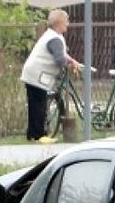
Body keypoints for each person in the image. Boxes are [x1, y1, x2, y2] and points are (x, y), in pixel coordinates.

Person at [21, 9, 80, 143]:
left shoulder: (53, 35)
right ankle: (40, 135)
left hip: (33, 73)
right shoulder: (54, 38)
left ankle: (32, 134)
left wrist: (71, 61)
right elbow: (59, 59)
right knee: (39, 105)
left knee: (35, 104)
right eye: (66, 21)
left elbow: (62, 55)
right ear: (59, 23)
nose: (68, 24)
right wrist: (70, 65)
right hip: (37, 75)